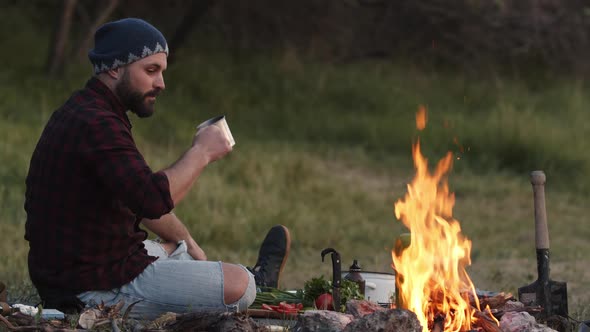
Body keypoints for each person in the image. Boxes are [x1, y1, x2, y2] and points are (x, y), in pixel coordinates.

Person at [24, 18, 290, 320]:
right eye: (151, 71)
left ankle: (203, 277)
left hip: (84, 268)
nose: (161, 83)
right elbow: (151, 199)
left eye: (161, 71)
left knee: (177, 248)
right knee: (241, 288)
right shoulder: (97, 125)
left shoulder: (87, 110)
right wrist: (201, 152)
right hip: (89, 288)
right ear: (114, 67)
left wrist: (191, 246)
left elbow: (139, 198)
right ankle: (258, 283)